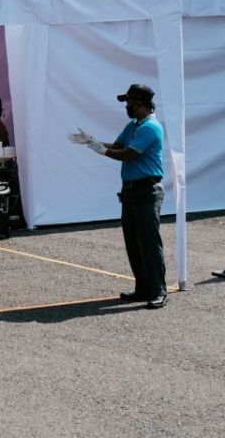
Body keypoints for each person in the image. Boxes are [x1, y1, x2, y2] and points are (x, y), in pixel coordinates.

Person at [68, 83, 168, 309]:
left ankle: (158, 290)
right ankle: (143, 288)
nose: (127, 105)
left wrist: (101, 150)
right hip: (131, 191)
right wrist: (93, 142)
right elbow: (117, 145)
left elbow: (129, 154)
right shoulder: (133, 125)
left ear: (140, 102)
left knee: (149, 244)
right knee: (133, 242)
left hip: (147, 191)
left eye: (129, 101)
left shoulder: (150, 127)